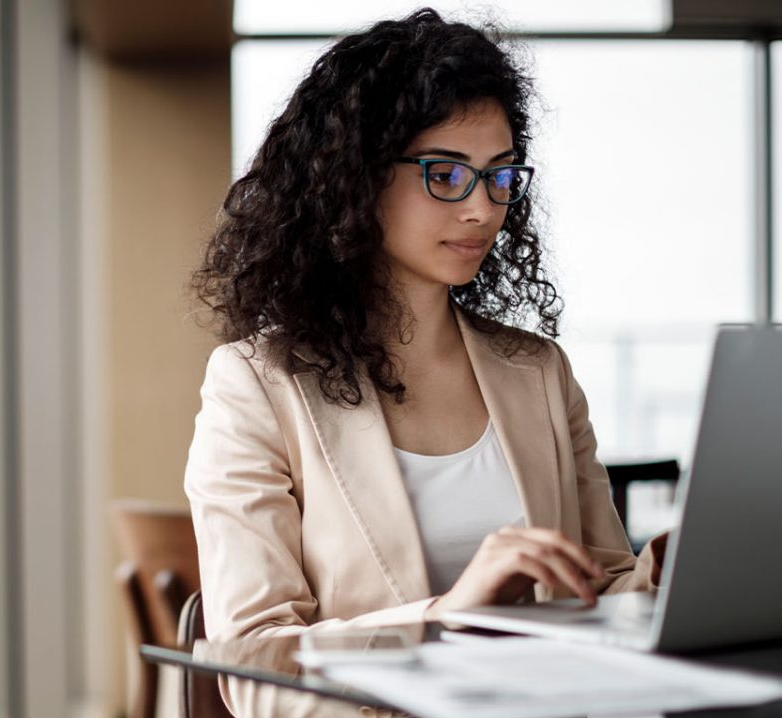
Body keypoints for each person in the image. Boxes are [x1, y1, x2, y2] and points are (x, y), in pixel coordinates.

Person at [186, 6, 666, 665]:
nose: (481, 208)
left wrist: (664, 575)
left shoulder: (541, 372)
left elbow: (603, 592)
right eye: (444, 175)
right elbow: (252, 664)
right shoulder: (256, 385)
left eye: (499, 175)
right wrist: (446, 618)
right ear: (355, 177)